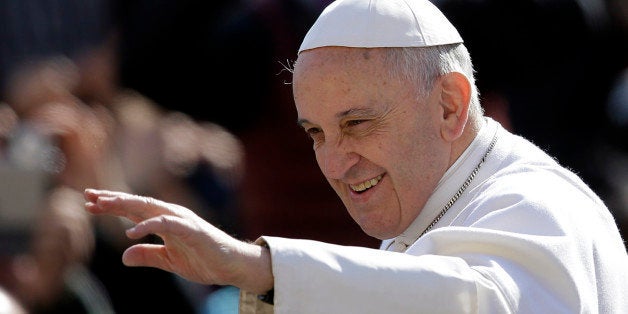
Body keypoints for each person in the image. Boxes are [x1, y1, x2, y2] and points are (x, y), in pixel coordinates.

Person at [83, 0, 628, 312]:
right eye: (316, 134)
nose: (336, 164)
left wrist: (260, 267)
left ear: (449, 105)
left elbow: (476, 303)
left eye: (358, 124)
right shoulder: (423, 217)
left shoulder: (537, 203)